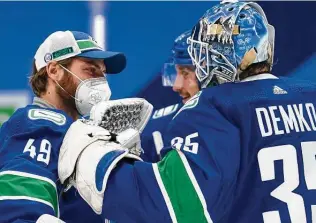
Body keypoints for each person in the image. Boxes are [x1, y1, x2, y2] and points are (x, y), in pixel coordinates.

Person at [45, 1, 316, 222]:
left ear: (218, 54)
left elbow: (179, 206)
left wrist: (97, 161)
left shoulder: (213, 107)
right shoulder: (310, 97)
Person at [0, 30, 126, 222]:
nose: (100, 81)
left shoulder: (75, 130)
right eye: (91, 69)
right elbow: (19, 210)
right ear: (53, 70)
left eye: (102, 73)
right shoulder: (41, 122)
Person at [141, 30, 195, 162]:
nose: (176, 86)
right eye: (176, 73)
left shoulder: (246, 122)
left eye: (185, 73)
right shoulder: (154, 133)